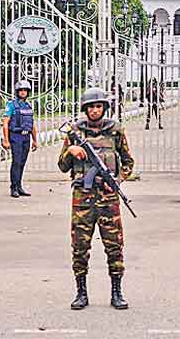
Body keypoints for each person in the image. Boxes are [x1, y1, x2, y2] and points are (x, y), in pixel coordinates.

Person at [59, 87, 136, 311]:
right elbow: (62, 166)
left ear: (104, 108)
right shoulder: (75, 132)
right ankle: (81, 292)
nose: (95, 110)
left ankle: (116, 292)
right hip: (82, 201)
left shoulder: (115, 130)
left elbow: (128, 162)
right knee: (80, 247)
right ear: (85, 109)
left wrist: (117, 180)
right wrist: (71, 151)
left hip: (108, 199)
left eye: (99, 106)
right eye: (91, 107)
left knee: (114, 246)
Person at [4, 80, 38, 198]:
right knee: (16, 162)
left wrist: (35, 140)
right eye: (21, 90)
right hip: (16, 136)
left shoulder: (28, 106)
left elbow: (32, 124)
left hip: (26, 136)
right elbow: (5, 123)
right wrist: (6, 140)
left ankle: (19, 186)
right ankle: (13, 187)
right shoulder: (11, 105)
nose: (23, 92)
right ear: (17, 92)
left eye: (25, 90)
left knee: (22, 162)